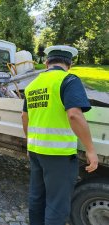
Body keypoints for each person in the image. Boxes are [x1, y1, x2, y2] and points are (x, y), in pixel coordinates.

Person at [21, 45, 98, 225]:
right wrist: (91, 150)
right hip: (59, 155)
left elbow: (24, 116)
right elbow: (74, 114)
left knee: (36, 198)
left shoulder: (32, 85)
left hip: (36, 151)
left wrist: (29, 142)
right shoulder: (68, 80)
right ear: (69, 64)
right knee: (57, 204)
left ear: (47, 63)